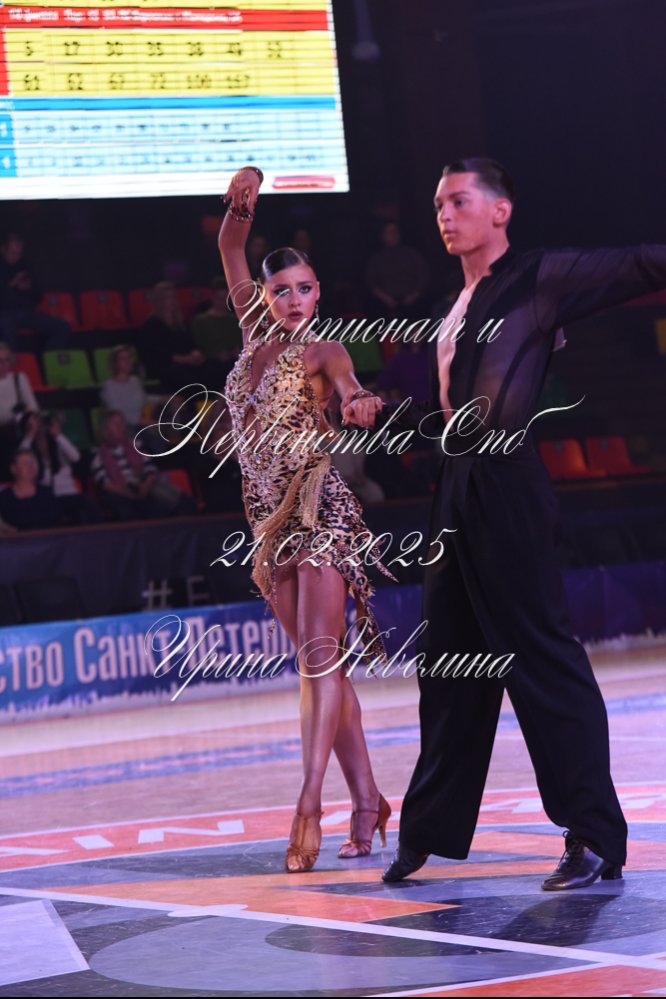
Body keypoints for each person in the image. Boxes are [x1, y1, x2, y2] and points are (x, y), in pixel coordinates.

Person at [361, 157, 666, 891]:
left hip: (507, 487)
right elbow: (448, 417)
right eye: (439, 203)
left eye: (459, 200)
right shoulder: (454, 306)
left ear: (500, 210)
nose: (445, 214)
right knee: (450, 664)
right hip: (455, 488)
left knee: (541, 660)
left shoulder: (537, 279)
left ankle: (594, 836)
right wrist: (381, 410)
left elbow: (636, 264)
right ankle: (428, 830)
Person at [219, 164, 397, 874]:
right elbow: (231, 247)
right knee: (319, 667)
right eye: (282, 290)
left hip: (318, 509)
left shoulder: (325, 351)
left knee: (320, 662)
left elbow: (349, 389)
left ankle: (309, 802)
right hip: (267, 523)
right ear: (263, 297)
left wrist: (358, 402)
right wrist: (244, 195)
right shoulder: (250, 336)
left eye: (305, 288)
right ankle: (370, 800)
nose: (294, 300)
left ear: (319, 293)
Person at [91, 409, 197, 521]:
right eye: (115, 424)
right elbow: (105, 484)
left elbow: (150, 468)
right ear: (106, 429)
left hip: (143, 486)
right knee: (124, 505)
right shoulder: (98, 454)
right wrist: (129, 494)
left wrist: (145, 485)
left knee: (160, 493)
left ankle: (190, 513)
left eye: (122, 423)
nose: (121, 427)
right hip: (120, 492)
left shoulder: (136, 445)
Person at [19, 410, 101, 524]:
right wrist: (30, 434)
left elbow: (75, 457)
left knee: (85, 507)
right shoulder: (28, 448)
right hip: (45, 496)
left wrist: (58, 435)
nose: (39, 425)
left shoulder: (57, 442)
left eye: (39, 421)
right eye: (34, 423)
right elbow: (20, 458)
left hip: (68, 493)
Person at [0, 232, 71, 353]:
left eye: (19, 253)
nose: (16, 257)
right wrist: (12, 283)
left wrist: (29, 288)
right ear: (2, 249)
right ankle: (12, 362)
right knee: (4, 325)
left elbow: (38, 296)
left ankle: (48, 360)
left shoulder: (25, 265)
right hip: (4, 314)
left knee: (62, 326)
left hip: (27, 312)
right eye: (12, 253)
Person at [0, 341, 40, 480]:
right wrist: (14, 412)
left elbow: (32, 407)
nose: (3, 365)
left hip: (21, 434)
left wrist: (21, 414)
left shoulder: (19, 378)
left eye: (6, 360)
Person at [0, 448, 63, 530]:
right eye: (25, 464)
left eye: (32, 463)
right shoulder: (5, 498)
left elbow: (57, 521)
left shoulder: (47, 493)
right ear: (14, 469)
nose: (31, 467)